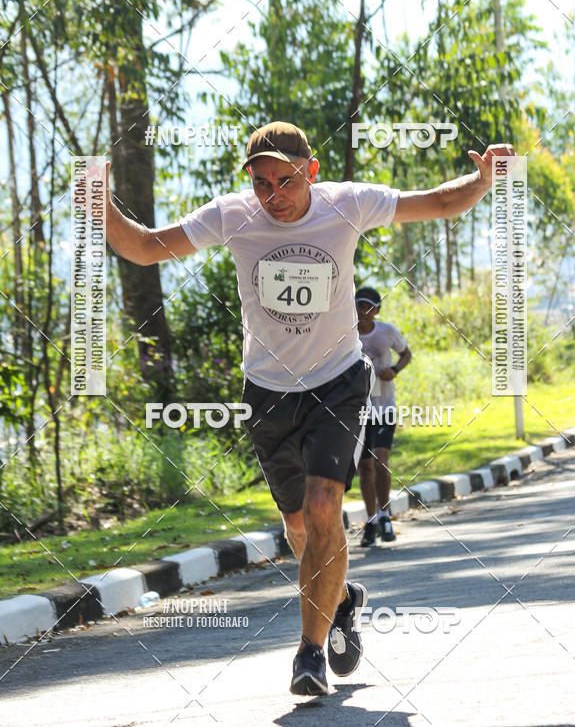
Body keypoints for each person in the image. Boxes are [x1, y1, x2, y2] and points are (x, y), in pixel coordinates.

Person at [104, 120, 516, 696]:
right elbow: (144, 248)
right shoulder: (231, 215)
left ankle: (309, 653)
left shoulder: (347, 203)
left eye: (286, 180)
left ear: (311, 173)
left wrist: (483, 179)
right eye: (262, 183)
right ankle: (342, 598)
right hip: (268, 392)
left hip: (339, 381)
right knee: (299, 526)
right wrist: (98, 201)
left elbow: (442, 204)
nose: (274, 195)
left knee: (326, 506)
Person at [355, 286, 411, 546]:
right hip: (356, 409)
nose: (362, 312)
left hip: (384, 406)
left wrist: (394, 370)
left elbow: (406, 353)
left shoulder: (386, 331)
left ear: (377, 310)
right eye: (358, 305)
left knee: (381, 461)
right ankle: (370, 520)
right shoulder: (344, 335)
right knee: (364, 466)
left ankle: (385, 514)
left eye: (368, 306)